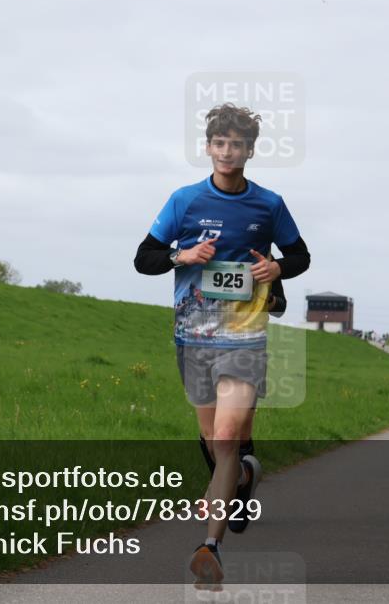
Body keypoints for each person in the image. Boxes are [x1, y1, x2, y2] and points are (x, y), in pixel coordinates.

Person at [133, 103, 311, 588]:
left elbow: (299, 255)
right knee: (215, 442)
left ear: (250, 150)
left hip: (245, 336)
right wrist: (181, 254)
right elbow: (143, 258)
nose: (227, 151)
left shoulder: (268, 204)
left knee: (229, 436)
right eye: (219, 143)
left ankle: (209, 547)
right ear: (209, 148)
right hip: (193, 336)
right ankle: (242, 480)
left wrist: (277, 268)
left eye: (237, 144)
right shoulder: (184, 201)